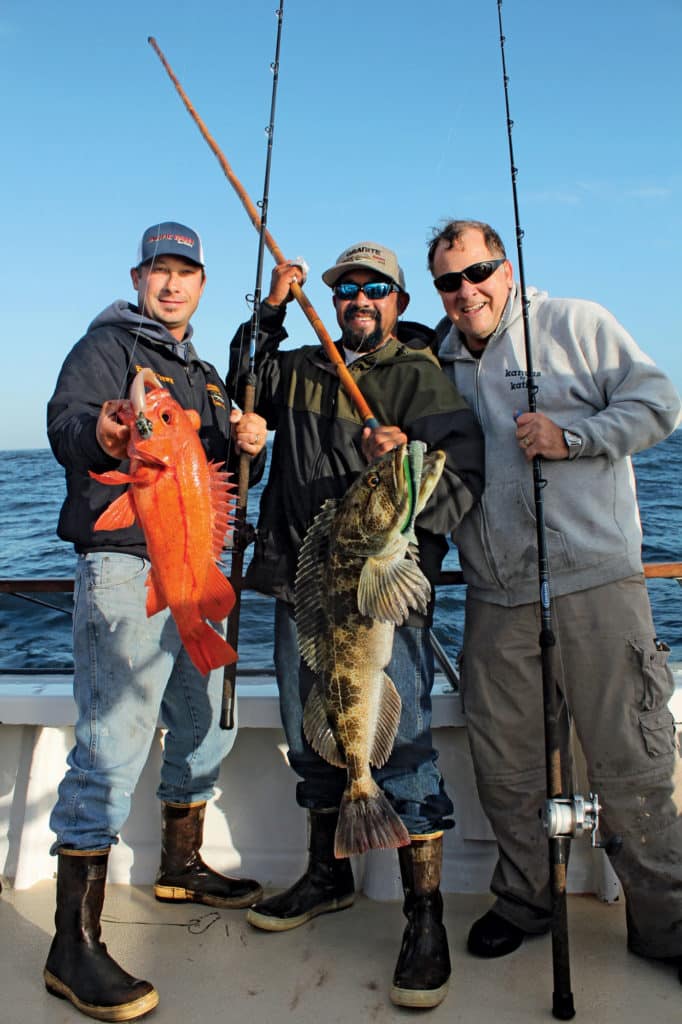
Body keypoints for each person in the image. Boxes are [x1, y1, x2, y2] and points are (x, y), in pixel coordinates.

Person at [227, 240, 484, 1009]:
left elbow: (462, 484)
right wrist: (272, 308)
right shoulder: (302, 367)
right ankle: (326, 875)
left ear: (400, 303)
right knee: (317, 739)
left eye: (376, 289)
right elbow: (242, 380)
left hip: (381, 595)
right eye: (346, 290)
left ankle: (425, 918)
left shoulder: (420, 379)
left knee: (399, 749)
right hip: (298, 587)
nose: (358, 300)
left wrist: (406, 457)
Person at [428, 218, 682, 981]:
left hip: (597, 582)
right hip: (493, 594)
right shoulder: (434, 365)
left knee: (631, 757)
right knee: (506, 763)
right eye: (450, 281)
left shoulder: (576, 323)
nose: (467, 291)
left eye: (480, 272)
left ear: (506, 268)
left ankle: (666, 918)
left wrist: (573, 437)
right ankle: (526, 898)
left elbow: (659, 405)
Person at [46, 221, 268, 1021]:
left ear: (201, 284)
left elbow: (219, 478)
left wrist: (251, 440)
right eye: (159, 271)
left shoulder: (202, 375)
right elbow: (67, 423)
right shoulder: (105, 347)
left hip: (190, 568)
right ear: (138, 276)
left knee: (205, 721)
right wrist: (105, 431)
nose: (172, 285)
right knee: (112, 738)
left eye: (186, 273)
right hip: (125, 564)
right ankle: (72, 945)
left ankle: (181, 864)